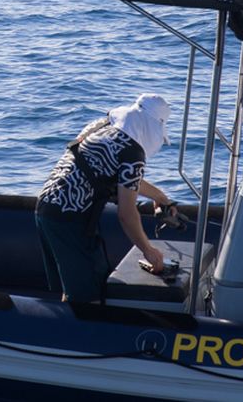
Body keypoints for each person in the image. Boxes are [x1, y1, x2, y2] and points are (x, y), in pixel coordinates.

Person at [35, 94, 177, 303]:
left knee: (73, 287)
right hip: (70, 219)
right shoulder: (133, 153)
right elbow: (127, 214)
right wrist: (148, 250)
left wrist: (160, 197)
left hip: (46, 207)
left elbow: (115, 178)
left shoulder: (101, 126)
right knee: (88, 294)